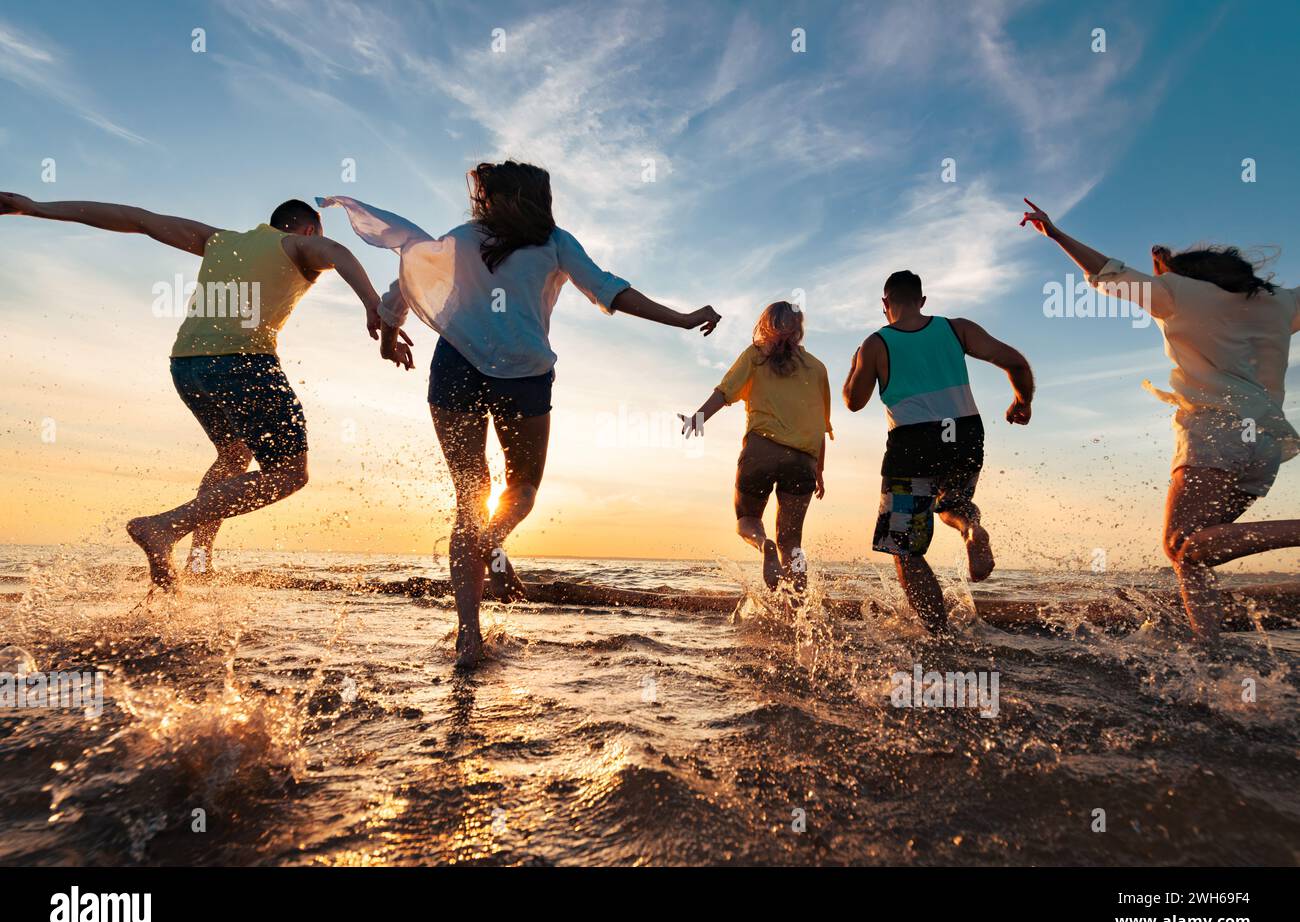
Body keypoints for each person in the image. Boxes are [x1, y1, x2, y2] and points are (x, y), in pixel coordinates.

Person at [320, 161, 721, 669]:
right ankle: (482, 576)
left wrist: (387, 338)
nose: (482, 202)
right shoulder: (552, 240)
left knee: (474, 500)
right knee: (518, 492)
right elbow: (608, 288)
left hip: (459, 366)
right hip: (520, 375)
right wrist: (682, 319)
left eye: (488, 195)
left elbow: (406, 279)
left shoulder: (468, 238)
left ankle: (472, 627)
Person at [0, 191, 400, 588]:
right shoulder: (298, 244)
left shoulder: (218, 240)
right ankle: (162, 527)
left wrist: (35, 208)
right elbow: (340, 253)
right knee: (289, 474)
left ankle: (199, 559)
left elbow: (136, 216)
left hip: (188, 367)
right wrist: (372, 304)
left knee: (233, 454)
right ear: (309, 228)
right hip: (242, 364)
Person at [1020, 198, 1300, 643]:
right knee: (1195, 551)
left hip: (1215, 433)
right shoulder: (1281, 303)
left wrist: (1054, 233)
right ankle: (1209, 647)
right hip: (1266, 447)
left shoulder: (1176, 293)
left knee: (1181, 545)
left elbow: (1108, 273)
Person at [843, 270, 1034, 635]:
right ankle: (971, 528)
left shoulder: (876, 344)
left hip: (912, 441)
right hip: (963, 433)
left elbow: (854, 401)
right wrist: (1022, 402)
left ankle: (939, 635)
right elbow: (1016, 363)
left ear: (885, 305)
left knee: (907, 550)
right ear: (922, 301)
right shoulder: (956, 329)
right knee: (951, 502)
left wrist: (856, 365)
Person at [679, 301, 830, 590]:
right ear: (799, 329)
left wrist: (697, 419)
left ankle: (763, 545)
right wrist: (820, 470)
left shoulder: (756, 356)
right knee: (793, 543)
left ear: (765, 325)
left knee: (747, 520)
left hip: (762, 450)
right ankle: (798, 610)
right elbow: (820, 424)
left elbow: (724, 393)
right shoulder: (817, 368)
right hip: (803, 461)